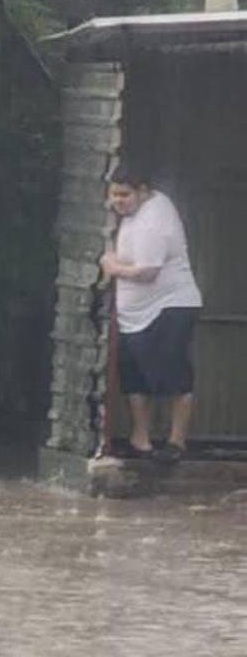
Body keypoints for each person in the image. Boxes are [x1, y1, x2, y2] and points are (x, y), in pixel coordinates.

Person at [101, 167, 204, 463]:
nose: (119, 201)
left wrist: (111, 266)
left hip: (169, 306)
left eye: (126, 195)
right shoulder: (133, 212)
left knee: (175, 375)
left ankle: (176, 442)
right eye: (115, 194)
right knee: (134, 376)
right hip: (134, 314)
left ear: (143, 191)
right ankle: (140, 439)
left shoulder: (154, 219)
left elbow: (147, 272)